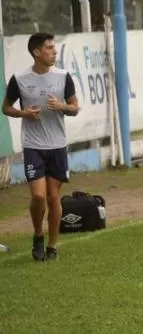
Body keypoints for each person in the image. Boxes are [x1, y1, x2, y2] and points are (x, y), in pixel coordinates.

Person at [2, 33, 80, 261]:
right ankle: (38, 235)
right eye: (49, 48)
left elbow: (75, 108)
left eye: (54, 47)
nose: (54, 51)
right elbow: (6, 108)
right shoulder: (20, 78)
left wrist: (62, 106)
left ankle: (52, 246)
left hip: (57, 145)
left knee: (53, 197)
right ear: (37, 52)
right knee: (38, 196)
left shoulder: (63, 76)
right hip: (33, 145)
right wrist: (23, 113)